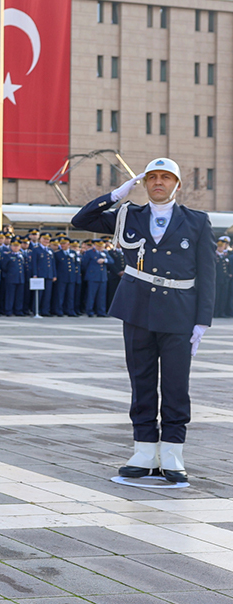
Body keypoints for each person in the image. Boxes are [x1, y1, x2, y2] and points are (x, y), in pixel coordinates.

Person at [72, 158, 216, 483]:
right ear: (145, 183)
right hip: (136, 310)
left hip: (179, 313)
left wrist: (202, 321)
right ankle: (144, 450)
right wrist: (116, 195)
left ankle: (173, 453)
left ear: (177, 184)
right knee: (142, 383)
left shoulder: (197, 221)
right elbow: (81, 219)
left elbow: (207, 275)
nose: (158, 183)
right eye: (152, 178)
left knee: (176, 386)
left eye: (166, 177)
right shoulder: (128, 216)